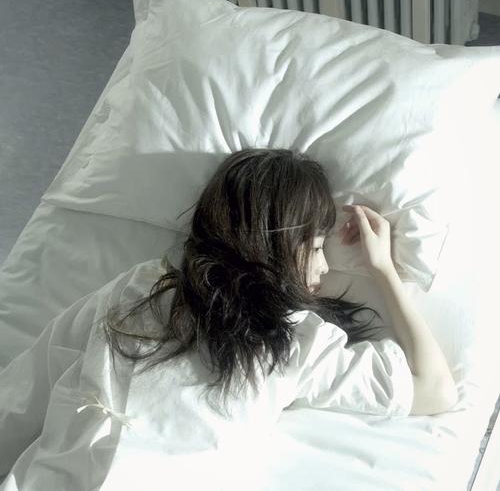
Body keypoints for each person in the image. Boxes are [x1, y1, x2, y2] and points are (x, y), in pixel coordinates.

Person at [0, 148, 457, 490]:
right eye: (317, 247)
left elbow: (435, 389)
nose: (323, 267)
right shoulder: (144, 287)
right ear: (276, 245)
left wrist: (385, 271)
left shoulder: (298, 340)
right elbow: (35, 380)